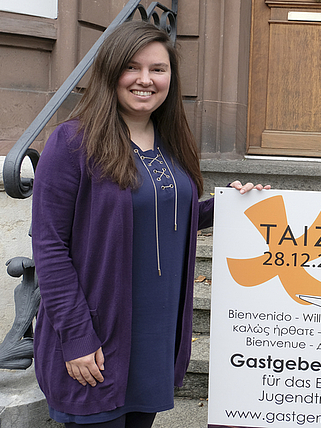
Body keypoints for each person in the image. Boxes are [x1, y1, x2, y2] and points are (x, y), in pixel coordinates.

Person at [31, 20, 267, 428]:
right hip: (97, 337)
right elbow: (50, 247)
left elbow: (169, 219)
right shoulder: (72, 143)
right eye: (132, 67)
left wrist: (232, 204)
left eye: (158, 69)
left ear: (171, 79)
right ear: (110, 73)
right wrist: (75, 336)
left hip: (154, 337)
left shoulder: (172, 143)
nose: (146, 80)